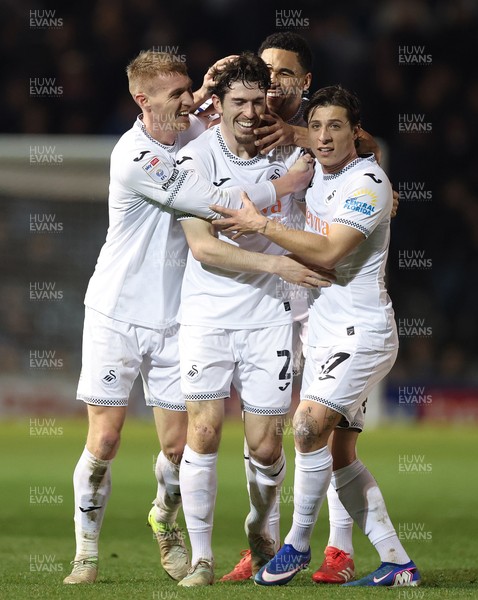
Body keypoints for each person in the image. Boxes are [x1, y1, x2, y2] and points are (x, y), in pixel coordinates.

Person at [63, 49, 317, 585]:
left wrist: (208, 95)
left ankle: (166, 520)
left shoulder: (194, 132)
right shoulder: (134, 155)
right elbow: (210, 200)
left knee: (180, 447)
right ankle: (86, 552)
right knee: (105, 440)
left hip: (179, 316)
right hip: (117, 311)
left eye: (189, 91)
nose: (189, 101)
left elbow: (239, 118)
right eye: (177, 94)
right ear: (143, 101)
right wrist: (283, 187)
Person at [211, 84, 421, 588]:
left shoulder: (367, 184)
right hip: (324, 329)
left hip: (363, 330)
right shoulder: (317, 172)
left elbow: (328, 254)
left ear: (356, 134)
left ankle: (296, 545)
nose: (324, 137)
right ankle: (397, 563)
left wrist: (260, 223)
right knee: (340, 452)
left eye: (336, 127)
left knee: (306, 426)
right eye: (319, 126)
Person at [171, 52, 331, 588]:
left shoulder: (288, 149)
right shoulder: (194, 156)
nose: (248, 112)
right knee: (205, 430)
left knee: (266, 446)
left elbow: (355, 145)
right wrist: (276, 257)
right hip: (206, 316)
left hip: (269, 317)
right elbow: (203, 247)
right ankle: (199, 558)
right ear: (219, 104)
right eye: (238, 102)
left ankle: (260, 530)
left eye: (258, 101)